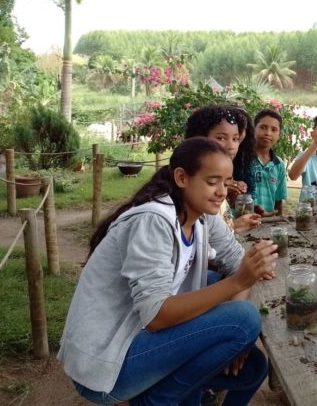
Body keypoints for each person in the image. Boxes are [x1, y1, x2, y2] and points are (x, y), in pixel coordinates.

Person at [58, 137, 278, 405]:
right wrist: (239, 284)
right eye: (212, 181)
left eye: (226, 181)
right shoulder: (153, 220)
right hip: (106, 364)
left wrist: (239, 338)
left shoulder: (202, 216)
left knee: (253, 366)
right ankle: (155, 401)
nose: (222, 191)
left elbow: (235, 260)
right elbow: (156, 316)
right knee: (244, 318)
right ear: (182, 178)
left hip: (141, 340)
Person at [185, 104, 261, 233]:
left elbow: (214, 234)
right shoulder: (190, 185)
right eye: (221, 138)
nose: (231, 146)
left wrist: (234, 225)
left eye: (236, 139)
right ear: (199, 138)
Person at [252, 109, 287, 217]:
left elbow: (279, 200)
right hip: (241, 222)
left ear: (279, 135)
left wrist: (277, 221)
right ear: (253, 129)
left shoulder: (279, 165)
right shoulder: (241, 158)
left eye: (274, 130)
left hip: (267, 223)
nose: (268, 133)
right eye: (263, 127)